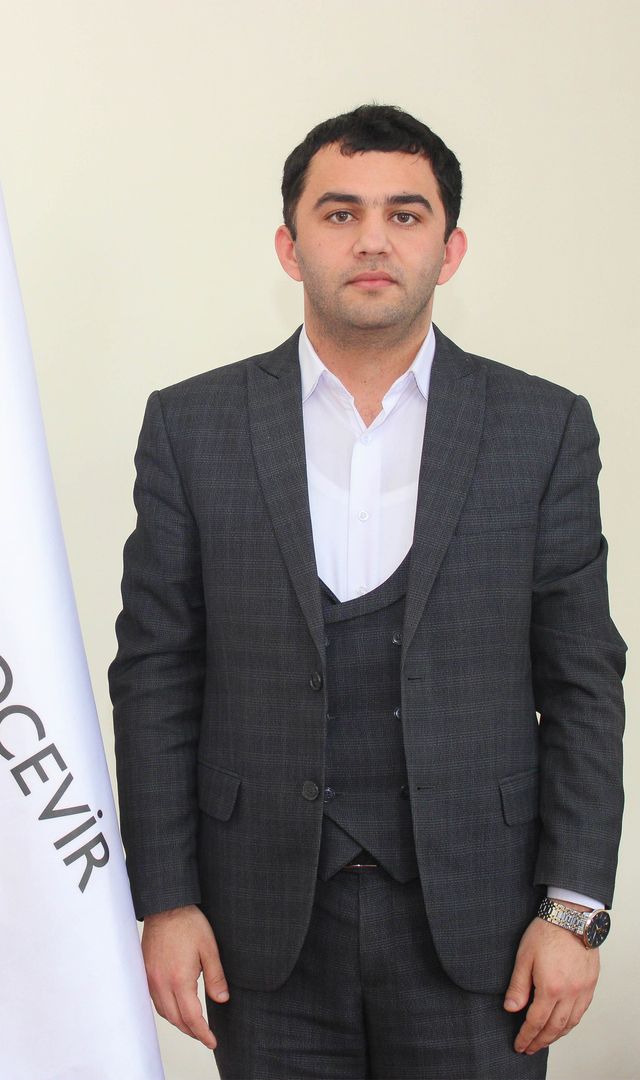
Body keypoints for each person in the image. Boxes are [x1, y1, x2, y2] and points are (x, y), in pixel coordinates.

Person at [108, 105, 625, 1079]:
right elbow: (156, 677)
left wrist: (574, 910)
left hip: (485, 929)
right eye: (340, 213)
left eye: (406, 214)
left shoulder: (542, 427)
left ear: (450, 249)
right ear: (290, 245)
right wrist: (165, 900)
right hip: (259, 930)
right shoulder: (191, 425)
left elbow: (584, 682)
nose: (374, 240)